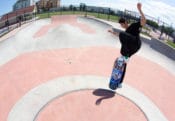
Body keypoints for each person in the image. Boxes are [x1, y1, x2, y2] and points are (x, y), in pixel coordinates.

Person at [108, 2, 146, 87]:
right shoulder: (125, 32)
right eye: (120, 25)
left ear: (125, 22)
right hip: (131, 49)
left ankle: (123, 55)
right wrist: (112, 32)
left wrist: (140, 10)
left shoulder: (133, 26)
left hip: (136, 43)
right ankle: (120, 82)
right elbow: (120, 35)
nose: (121, 26)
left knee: (122, 34)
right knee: (123, 64)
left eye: (122, 24)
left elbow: (143, 22)